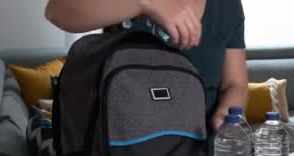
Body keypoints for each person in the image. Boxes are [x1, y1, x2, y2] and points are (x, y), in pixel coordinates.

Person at [45, 0, 248, 132]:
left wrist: (227, 115)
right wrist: (147, 3)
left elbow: (235, 85)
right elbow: (58, 11)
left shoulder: (227, 5)